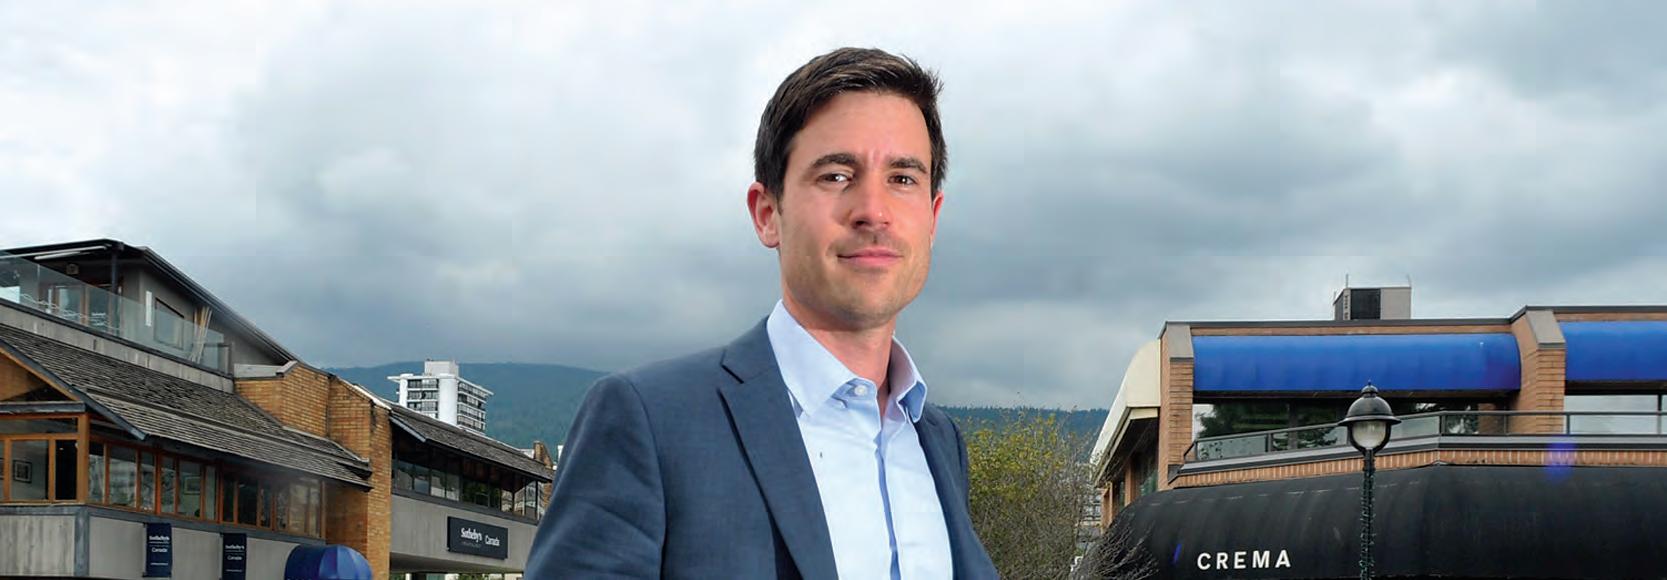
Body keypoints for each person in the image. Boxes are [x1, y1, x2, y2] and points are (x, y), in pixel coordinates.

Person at [525, 47, 996, 579]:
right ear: (768, 213)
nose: (873, 211)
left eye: (903, 178)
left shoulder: (939, 442)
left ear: (932, 219)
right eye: (836, 175)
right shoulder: (650, 421)